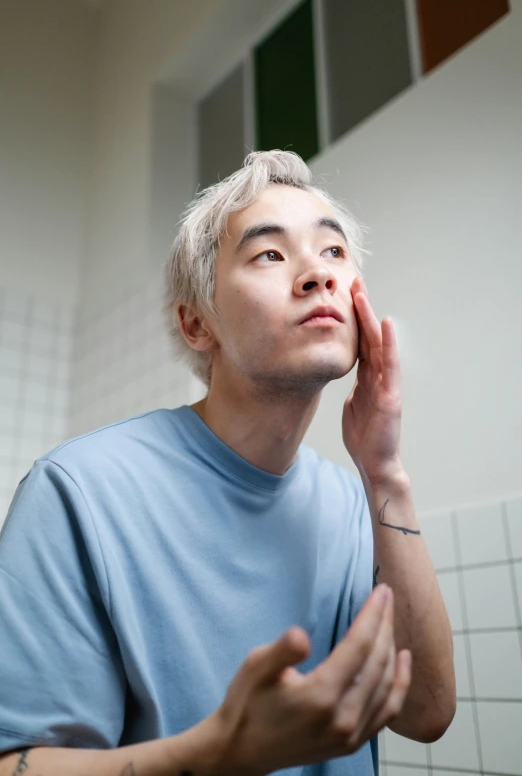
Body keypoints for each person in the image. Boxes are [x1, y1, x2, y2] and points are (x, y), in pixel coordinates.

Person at [0, 150, 455, 776]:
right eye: (270, 254)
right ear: (195, 323)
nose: (317, 276)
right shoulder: (78, 493)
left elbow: (426, 712)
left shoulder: (356, 500)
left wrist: (385, 472)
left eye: (333, 252)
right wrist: (217, 753)